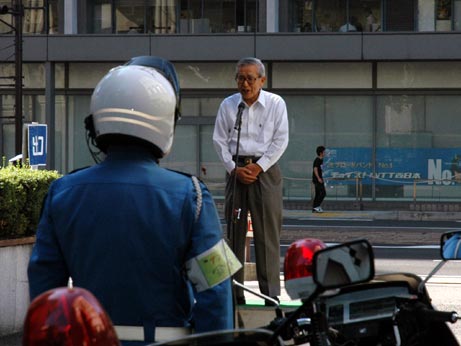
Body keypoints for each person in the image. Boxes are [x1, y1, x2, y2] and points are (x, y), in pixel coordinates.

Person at [27, 56, 238, 345]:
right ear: (167, 123)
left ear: (95, 123)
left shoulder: (62, 192)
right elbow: (217, 289)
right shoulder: (193, 195)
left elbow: (44, 290)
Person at [213, 57, 289, 306]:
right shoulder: (229, 105)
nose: (244, 84)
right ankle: (235, 294)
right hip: (236, 171)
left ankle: (271, 295)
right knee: (234, 233)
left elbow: (281, 140)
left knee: (267, 232)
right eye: (240, 78)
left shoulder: (276, 103)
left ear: (262, 80)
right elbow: (219, 141)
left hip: (265, 171)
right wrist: (234, 168)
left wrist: (258, 166)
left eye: (250, 78)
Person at [312, 145, 326, 213]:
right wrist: (319, 178)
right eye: (324, 152)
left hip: (318, 179)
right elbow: (315, 169)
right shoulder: (317, 160)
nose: (325, 153)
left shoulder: (321, 160)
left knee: (318, 194)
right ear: (321, 153)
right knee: (323, 193)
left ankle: (315, 207)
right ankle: (316, 206)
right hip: (317, 179)